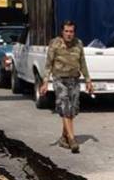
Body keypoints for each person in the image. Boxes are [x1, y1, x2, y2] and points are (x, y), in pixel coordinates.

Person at [40, 20, 94, 154]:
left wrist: (88, 80)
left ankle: (64, 138)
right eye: (66, 31)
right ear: (62, 31)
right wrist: (45, 82)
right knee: (65, 107)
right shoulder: (55, 43)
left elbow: (83, 63)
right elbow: (48, 64)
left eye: (71, 31)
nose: (69, 34)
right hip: (59, 80)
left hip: (74, 80)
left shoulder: (78, 43)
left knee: (73, 109)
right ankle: (72, 139)